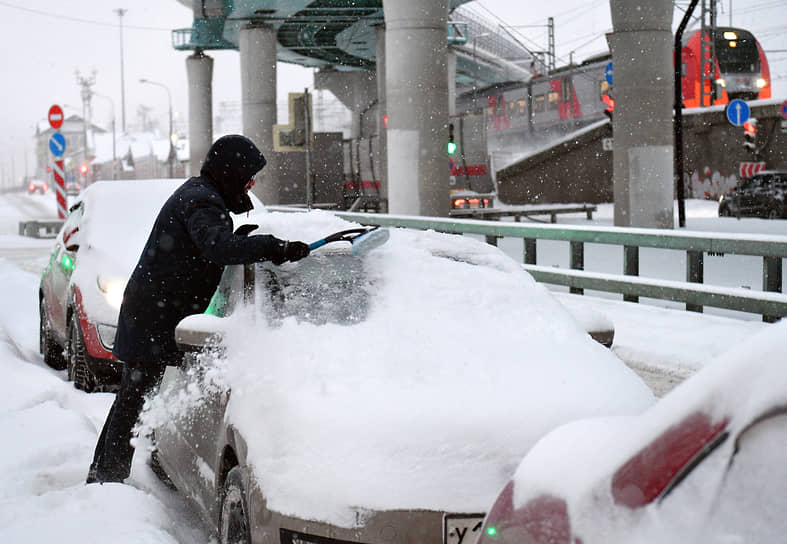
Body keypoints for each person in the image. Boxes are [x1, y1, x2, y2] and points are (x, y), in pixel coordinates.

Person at [86, 134, 310, 484]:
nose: (251, 184)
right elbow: (216, 247)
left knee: (131, 400)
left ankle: (104, 475)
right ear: (231, 171)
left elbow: (213, 240)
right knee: (133, 402)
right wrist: (271, 246)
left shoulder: (203, 194)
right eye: (248, 175)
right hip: (153, 316)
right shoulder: (203, 201)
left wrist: (244, 238)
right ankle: (106, 480)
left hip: (151, 311)